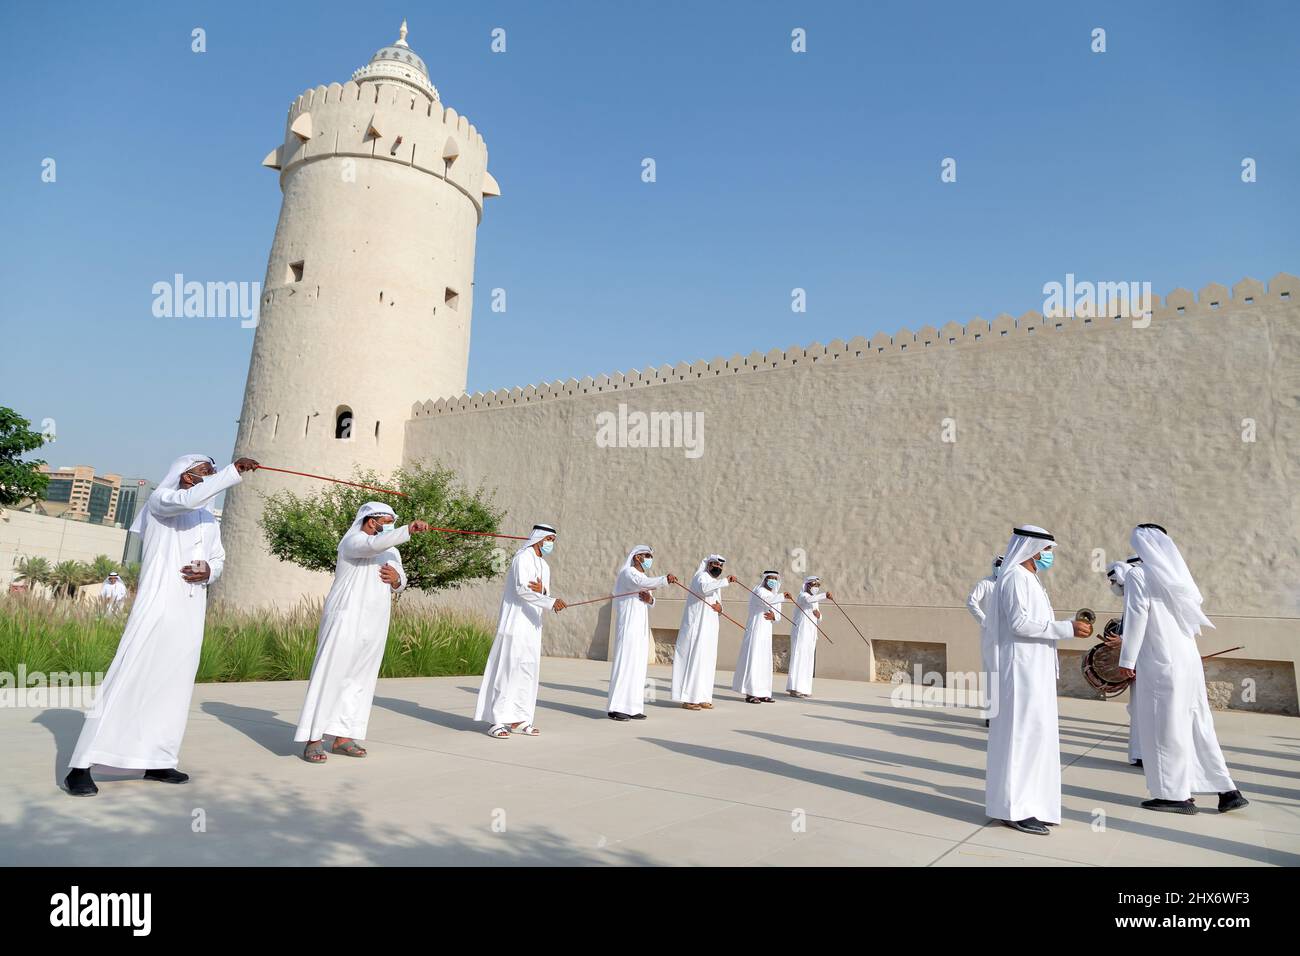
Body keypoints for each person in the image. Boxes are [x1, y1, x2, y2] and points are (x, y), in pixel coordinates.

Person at [64, 454, 259, 796]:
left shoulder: (208, 521)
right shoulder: (162, 500)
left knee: (174, 686)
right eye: (204, 471)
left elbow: (219, 560)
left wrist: (209, 572)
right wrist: (233, 472)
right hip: (157, 605)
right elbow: (187, 500)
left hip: (191, 608)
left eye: (212, 472)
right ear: (185, 476)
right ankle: (81, 766)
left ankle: (157, 759)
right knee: (128, 677)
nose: (209, 477)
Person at [1117, 524, 1248, 815]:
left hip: (1161, 664)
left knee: (1165, 728)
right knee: (1197, 725)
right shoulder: (1178, 576)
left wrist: (1126, 660)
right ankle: (1227, 790)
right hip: (1188, 662)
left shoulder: (1139, 575)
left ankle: (1174, 796)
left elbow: (1137, 618)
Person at [294, 503, 432, 762]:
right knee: (330, 674)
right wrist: (407, 530)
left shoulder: (391, 550)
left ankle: (343, 737)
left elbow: (400, 580)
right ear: (371, 521)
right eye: (386, 521)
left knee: (359, 678)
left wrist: (397, 579)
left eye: (393, 522)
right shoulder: (353, 540)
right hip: (346, 617)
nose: (390, 526)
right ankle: (314, 739)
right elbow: (368, 548)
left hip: (375, 620)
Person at [983, 525, 1092, 835]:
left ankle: (1031, 804)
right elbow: (1020, 624)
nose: (1048, 556)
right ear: (1030, 548)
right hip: (1021, 672)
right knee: (1020, 737)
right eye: (1046, 551)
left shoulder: (1030, 579)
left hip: (1035, 671)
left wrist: (1066, 629)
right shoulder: (1016, 577)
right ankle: (1014, 808)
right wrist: (1066, 628)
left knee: (1036, 737)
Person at [476, 523, 567, 738]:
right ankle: (497, 721)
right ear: (539, 538)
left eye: (554, 541)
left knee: (528, 671)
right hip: (514, 624)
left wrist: (546, 594)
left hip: (533, 626)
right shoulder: (522, 557)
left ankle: (522, 718)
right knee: (507, 670)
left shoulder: (544, 566)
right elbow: (521, 589)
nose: (551, 544)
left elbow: (542, 591)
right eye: (549, 540)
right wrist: (550, 600)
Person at [607, 546, 678, 721]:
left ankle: (632, 707)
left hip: (640, 627)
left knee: (638, 666)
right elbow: (642, 583)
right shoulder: (628, 573)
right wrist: (664, 580)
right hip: (628, 626)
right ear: (637, 557)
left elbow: (650, 597)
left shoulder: (644, 577)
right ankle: (616, 708)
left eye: (650, 556)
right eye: (647, 556)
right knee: (625, 664)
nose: (649, 559)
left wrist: (650, 599)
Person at [671, 554, 735, 711]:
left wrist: (721, 609)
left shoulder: (715, 582)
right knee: (695, 661)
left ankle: (703, 697)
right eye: (715, 565)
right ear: (708, 564)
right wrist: (726, 581)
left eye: (720, 566)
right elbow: (704, 590)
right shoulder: (701, 577)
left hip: (710, 628)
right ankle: (689, 698)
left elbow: (718, 603)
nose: (718, 568)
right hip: (697, 628)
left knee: (707, 662)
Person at [1105, 556, 1143, 766]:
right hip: (1137, 662)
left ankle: (1146, 754)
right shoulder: (1130, 594)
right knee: (1137, 709)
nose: (1113, 587)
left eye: (1114, 582)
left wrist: (1124, 643)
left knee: (1144, 709)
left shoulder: (1139, 590)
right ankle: (1140, 753)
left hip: (1145, 662)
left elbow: (1147, 628)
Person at [733, 570, 786, 704]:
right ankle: (751, 693)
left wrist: (775, 617)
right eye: (770, 578)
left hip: (766, 632)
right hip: (756, 630)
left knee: (764, 662)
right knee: (754, 660)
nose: (773, 581)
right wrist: (781, 597)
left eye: (775, 578)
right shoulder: (759, 591)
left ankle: (763, 693)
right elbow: (766, 602)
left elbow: (778, 614)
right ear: (765, 579)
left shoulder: (775, 595)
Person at [965, 556, 1003, 723]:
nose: (1000, 567)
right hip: (991, 634)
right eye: (998, 564)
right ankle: (991, 714)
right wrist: (985, 621)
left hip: (1010, 635)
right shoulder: (985, 583)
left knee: (1008, 674)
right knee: (992, 673)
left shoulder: (1010, 584)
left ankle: (1006, 713)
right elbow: (971, 602)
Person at [786, 575, 831, 698]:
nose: (816, 587)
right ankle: (794, 688)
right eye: (813, 585)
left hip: (811, 633)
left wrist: (819, 616)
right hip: (801, 632)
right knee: (799, 658)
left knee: (808, 660)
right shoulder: (802, 596)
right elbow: (808, 601)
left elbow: (817, 615)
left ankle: (804, 688)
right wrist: (824, 596)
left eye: (818, 585)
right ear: (807, 585)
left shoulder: (815, 599)